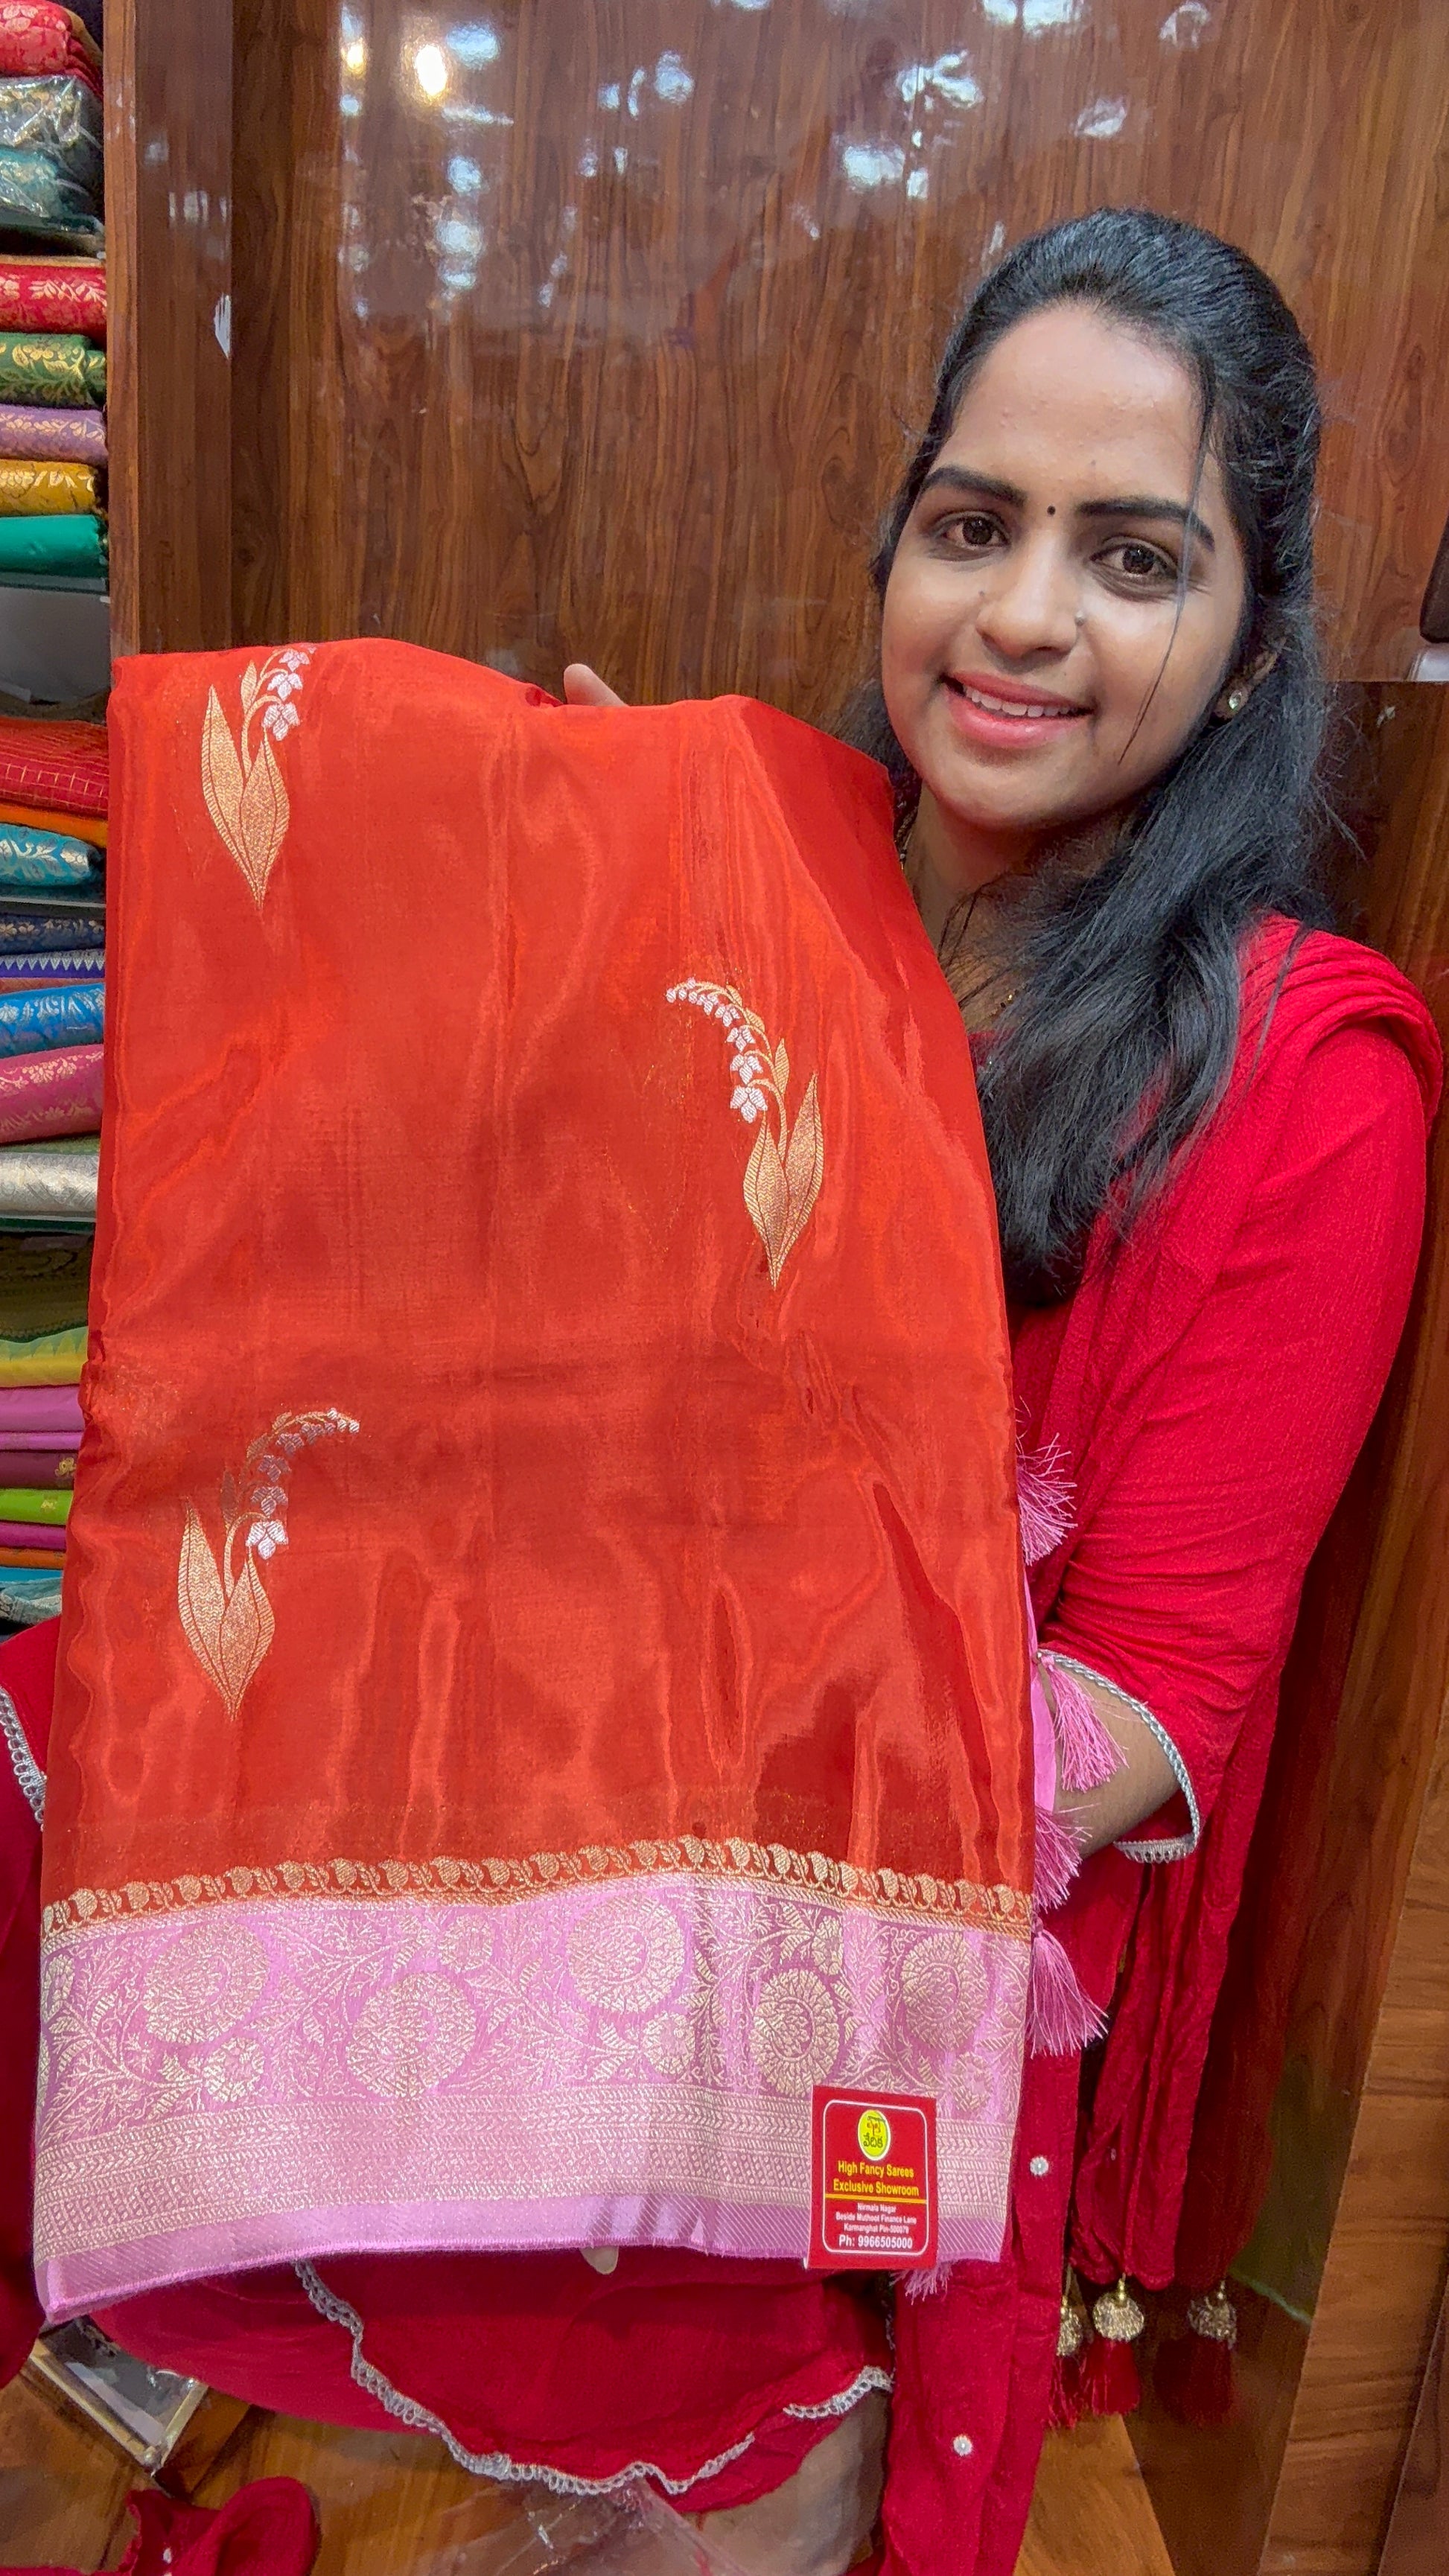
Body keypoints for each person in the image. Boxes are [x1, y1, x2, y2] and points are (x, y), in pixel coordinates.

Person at [4, 210, 1440, 2576]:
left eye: (1131, 556)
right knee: (70, 1731)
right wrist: (559, 926)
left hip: (858, 1942)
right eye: (970, 524)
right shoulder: (760, 877)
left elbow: (1148, 1714)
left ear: (1252, 641)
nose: (1020, 616)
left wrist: (641, 1767)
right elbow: (521, 1381)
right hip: (556, 1755)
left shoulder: (1301, 1089)